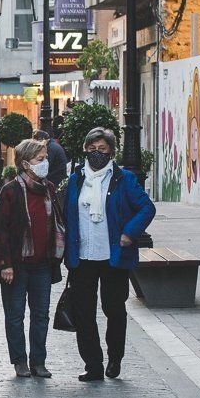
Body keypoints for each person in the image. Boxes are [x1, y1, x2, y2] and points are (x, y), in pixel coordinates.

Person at [63, 127, 155, 382]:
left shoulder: (124, 179)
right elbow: (67, 213)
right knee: (83, 311)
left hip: (113, 256)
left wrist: (129, 233)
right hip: (82, 257)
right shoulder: (76, 178)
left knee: (113, 309)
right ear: (84, 149)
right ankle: (92, 364)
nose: (96, 154)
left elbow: (146, 208)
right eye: (92, 149)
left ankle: (115, 358)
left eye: (102, 149)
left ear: (111, 151)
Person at [0, 139, 64, 378]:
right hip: (16, 265)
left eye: (45, 159)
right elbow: (0, 230)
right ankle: (19, 361)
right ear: (25, 163)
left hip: (43, 264)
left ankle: (39, 361)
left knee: (41, 315)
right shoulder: (11, 190)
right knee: (15, 315)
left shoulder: (49, 189)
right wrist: (6, 264)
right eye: (40, 159)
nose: (45, 163)